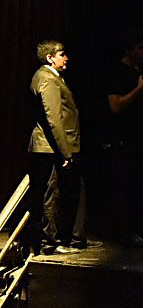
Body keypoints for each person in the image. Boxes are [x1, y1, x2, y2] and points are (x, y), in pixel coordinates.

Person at [27, 40, 84, 255]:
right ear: (50, 57)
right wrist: (65, 152)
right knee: (52, 194)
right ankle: (50, 242)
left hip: (53, 147)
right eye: (61, 54)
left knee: (59, 192)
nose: (66, 57)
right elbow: (54, 118)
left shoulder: (52, 77)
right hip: (50, 147)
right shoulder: (47, 78)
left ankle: (62, 239)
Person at [103, 31, 143, 244]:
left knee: (142, 186)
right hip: (125, 141)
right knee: (126, 188)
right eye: (140, 48)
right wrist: (139, 89)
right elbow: (115, 105)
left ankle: (141, 230)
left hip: (142, 138)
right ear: (128, 50)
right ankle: (125, 233)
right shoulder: (117, 73)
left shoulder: (140, 71)